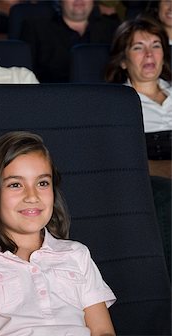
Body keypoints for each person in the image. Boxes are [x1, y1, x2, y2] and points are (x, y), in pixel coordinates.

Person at [0, 131, 116, 335]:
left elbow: (103, 330)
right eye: (15, 185)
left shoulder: (77, 254)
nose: (32, 196)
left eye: (42, 183)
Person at [105, 15, 171, 277]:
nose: (149, 54)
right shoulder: (116, 105)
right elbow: (124, 164)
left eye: (155, 45)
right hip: (152, 188)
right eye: (137, 47)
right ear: (123, 60)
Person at [20, 0, 119, 83]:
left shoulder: (113, 30)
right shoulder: (37, 29)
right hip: (53, 98)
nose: (79, 0)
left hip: (103, 98)